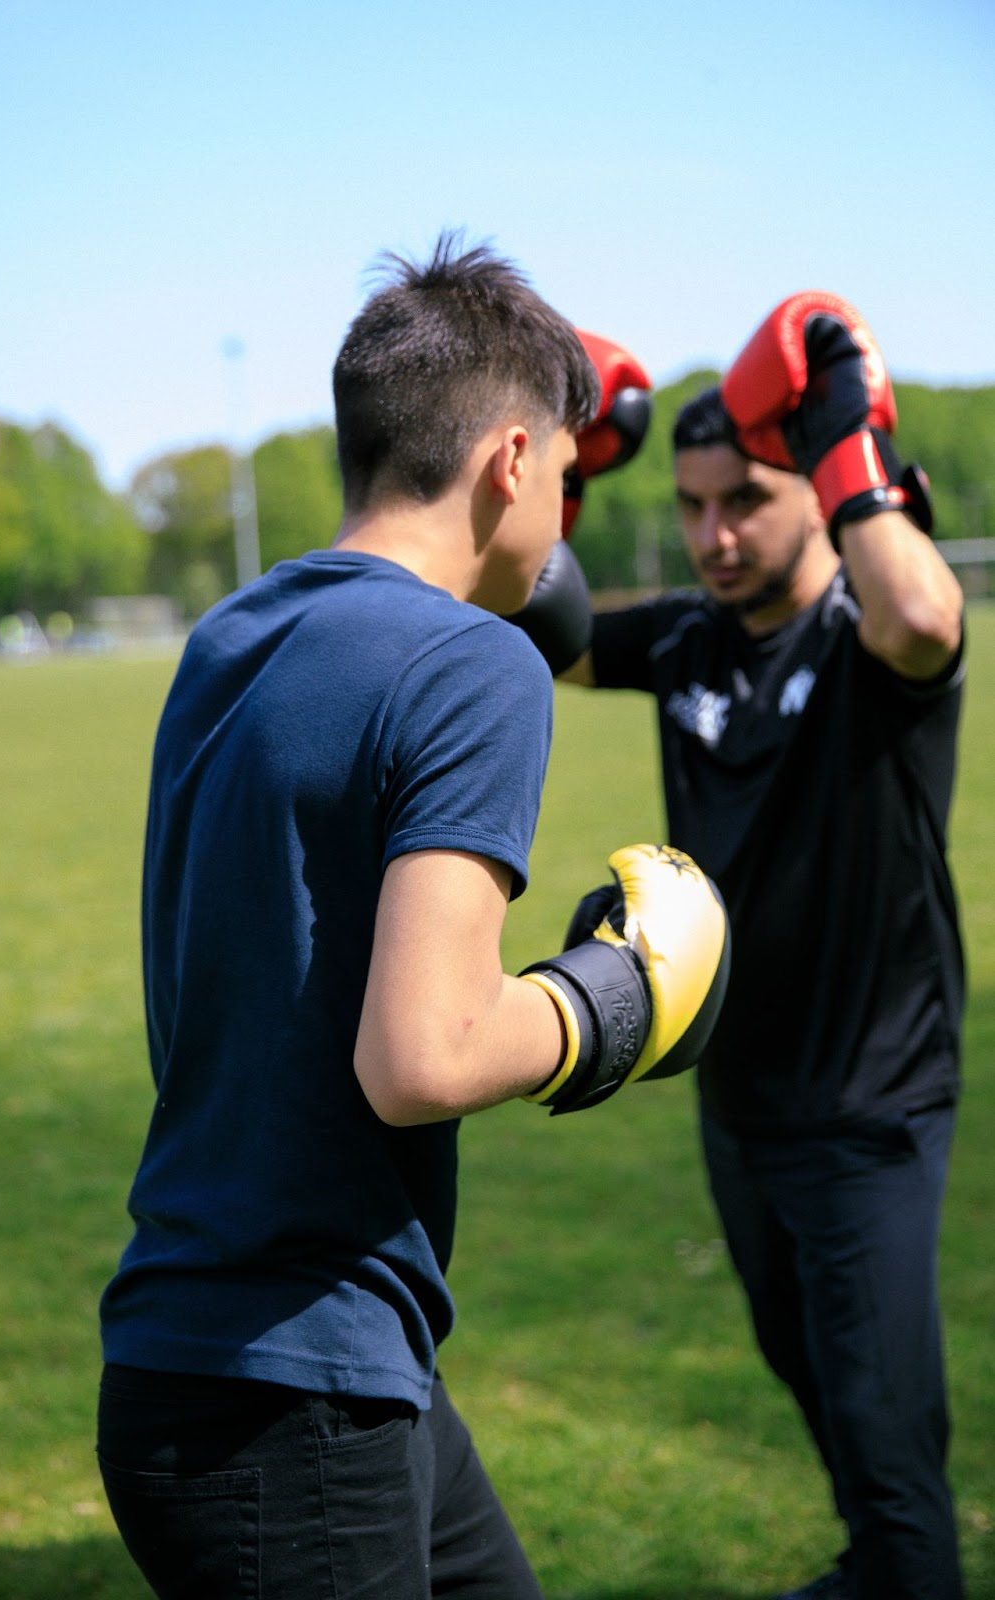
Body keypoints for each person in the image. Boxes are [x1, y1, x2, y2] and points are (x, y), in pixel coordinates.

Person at [95, 233, 729, 1600]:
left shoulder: (229, 637)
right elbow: (423, 1055)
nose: (561, 505)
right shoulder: (468, 662)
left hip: (218, 1351)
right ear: (510, 462)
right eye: (563, 470)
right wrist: (608, 1000)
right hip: (293, 1399)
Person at [563, 293, 967, 1600]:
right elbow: (532, 627)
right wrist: (561, 476)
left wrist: (842, 430)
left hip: (869, 1107)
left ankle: (901, 1571)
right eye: (687, 508)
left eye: (739, 499)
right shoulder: (686, 637)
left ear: (809, 490)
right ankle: (873, 1568)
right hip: (738, 1105)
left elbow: (921, 615)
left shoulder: (863, 634)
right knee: (808, 1373)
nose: (711, 535)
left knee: (884, 1423)